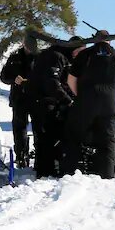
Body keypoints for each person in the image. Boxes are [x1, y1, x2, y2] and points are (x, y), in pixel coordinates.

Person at [61, 31, 115, 179]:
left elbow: (71, 79)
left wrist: (79, 96)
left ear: (95, 40)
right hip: (110, 104)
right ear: (110, 42)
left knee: (75, 135)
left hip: (86, 102)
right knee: (108, 140)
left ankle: (69, 172)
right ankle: (107, 174)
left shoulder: (86, 55)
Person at [29, 36, 85, 178]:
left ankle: (51, 167)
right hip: (45, 103)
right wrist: (68, 100)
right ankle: (46, 171)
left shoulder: (62, 58)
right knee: (47, 137)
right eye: (79, 52)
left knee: (53, 137)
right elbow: (52, 83)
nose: (79, 56)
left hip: (49, 102)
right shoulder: (55, 57)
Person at [0, 36, 38, 167]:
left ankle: (39, 154)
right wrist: (14, 79)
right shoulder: (14, 58)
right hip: (19, 98)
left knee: (38, 128)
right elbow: (4, 76)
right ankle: (21, 156)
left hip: (36, 98)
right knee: (19, 128)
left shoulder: (40, 58)